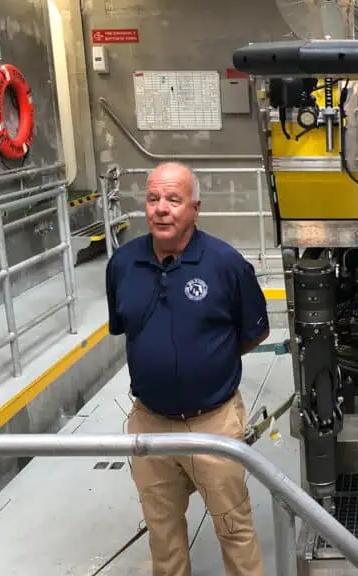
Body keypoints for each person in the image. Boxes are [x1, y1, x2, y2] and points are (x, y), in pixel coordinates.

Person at [105, 162, 270, 576]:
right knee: (162, 532)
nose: (162, 209)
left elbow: (254, 332)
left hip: (213, 423)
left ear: (195, 208)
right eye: (153, 199)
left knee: (234, 527)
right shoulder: (122, 265)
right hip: (150, 422)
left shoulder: (226, 265)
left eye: (174, 200)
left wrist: (208, 363)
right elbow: (126, 329)